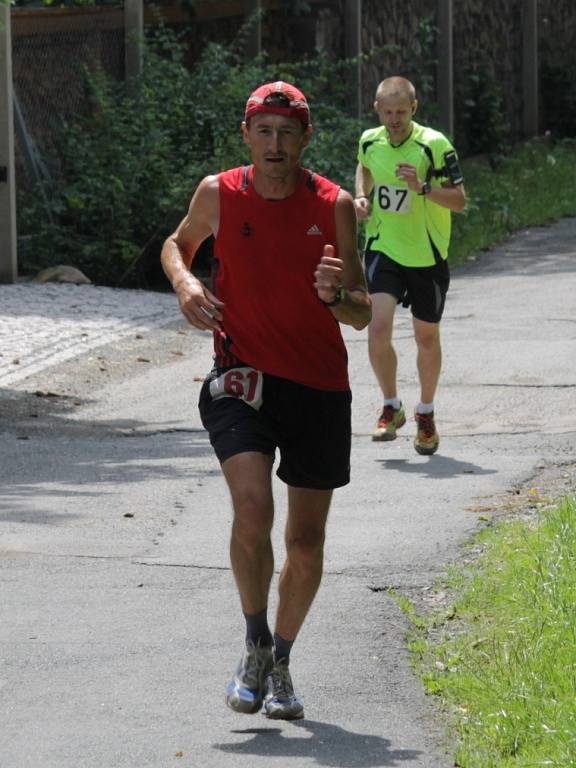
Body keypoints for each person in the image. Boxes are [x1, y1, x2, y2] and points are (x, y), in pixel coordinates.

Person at [161, 81, 371, 720]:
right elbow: (176, 245)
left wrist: (336, 295)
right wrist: (187, 282)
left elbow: (361, 313)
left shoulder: (333, 204)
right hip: (241, 377)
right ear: (246, 135)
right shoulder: (217, 193)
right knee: (252, 511)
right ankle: (253, 642)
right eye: (264, 131)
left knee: (306, 540)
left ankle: (280, 660)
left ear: (306, 137)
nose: (275, 144)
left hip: (317, 386)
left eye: (288, 132)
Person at [354, 76, 466, 455]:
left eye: (401, 112)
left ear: (414, 109)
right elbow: (365, 167)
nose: (394, 119)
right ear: (377, 109)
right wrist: (361, 196)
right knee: (378, 327)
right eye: (387, 112)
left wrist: (422, 188)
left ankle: (426, 413)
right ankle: (391, 405)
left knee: (425, 337)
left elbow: (460, 201)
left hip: (427, 253)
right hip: (384, 246)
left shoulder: (434, 145)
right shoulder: (370, 140)